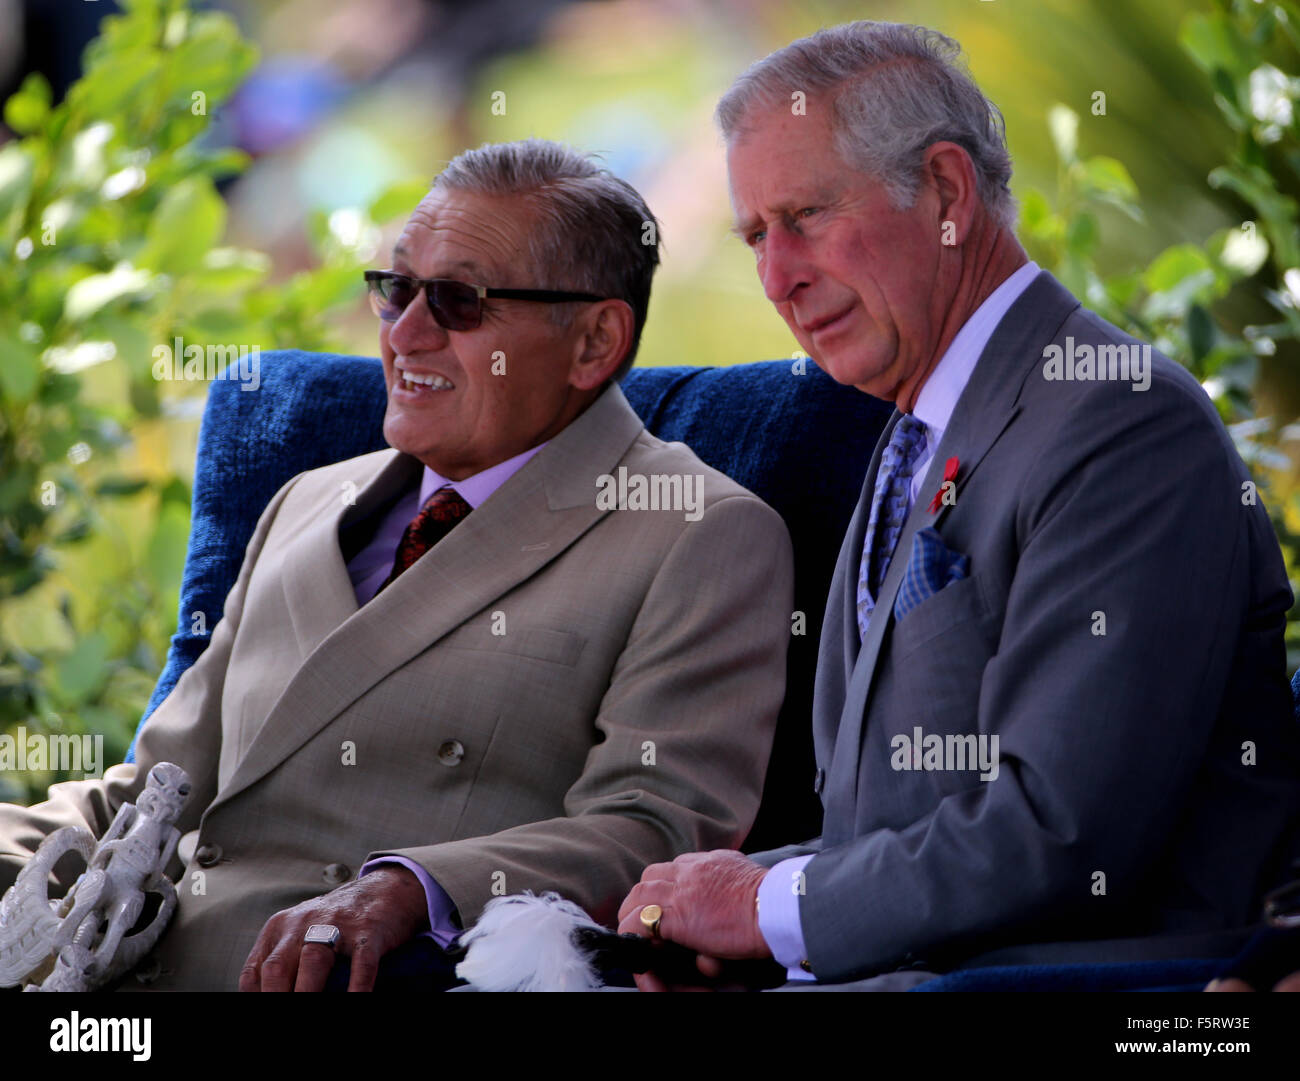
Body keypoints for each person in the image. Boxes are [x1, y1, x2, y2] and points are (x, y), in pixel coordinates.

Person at [0, 138, 794, 991]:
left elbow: (651, 830)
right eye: (396, 290)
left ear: (595, 340)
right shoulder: (305, 501)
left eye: (458, 300)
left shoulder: (696, 532)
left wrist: (411, 889)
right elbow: (151, 791)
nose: (406, 336)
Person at [617, 20, 1300, 991]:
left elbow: (1063, 833)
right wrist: (729, 907)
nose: (777, 278)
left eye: (805, 216)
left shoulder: (1119, 422)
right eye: (756, 237)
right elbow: (892, 831)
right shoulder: (914, 426)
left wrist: (770, 911)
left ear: (944, 192)